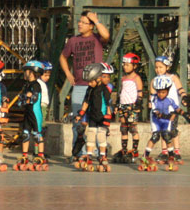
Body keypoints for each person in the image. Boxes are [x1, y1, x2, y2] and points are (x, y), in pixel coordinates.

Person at [59, 10, 110, 159]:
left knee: (97, 120)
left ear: (91, 26)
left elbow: (106, 35)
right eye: (79, 22)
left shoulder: (97, 39)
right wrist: (68, 73)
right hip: (80, 86)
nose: (80, 24)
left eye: (83, 22)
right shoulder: (73, 41)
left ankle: (95, 152)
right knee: (78, 121)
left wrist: (96, 20)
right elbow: (63, 57)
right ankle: (78, 153)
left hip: (96, 87)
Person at [75, 62, 113, 170]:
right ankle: (89, 154)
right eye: (88, 82)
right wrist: (81, 114)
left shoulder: (104, 89)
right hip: (92, 116)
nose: (89, 83)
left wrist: (108, 117)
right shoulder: (90, 89)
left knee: (101, 136)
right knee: (91, 135)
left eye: (91, 81)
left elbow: (108, 104)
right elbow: (86, 102)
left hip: (102, 117)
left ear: (99, 79)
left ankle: (102, 155)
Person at [153, 55, 188, 163]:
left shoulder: (173, 77)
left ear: (167, 67)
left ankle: (176, 152)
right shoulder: (156, 80)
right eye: (156, 67)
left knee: (172, 130)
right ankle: (165, 152)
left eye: (161, 67)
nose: (158, 70)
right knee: (163, 131)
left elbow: (180, 89)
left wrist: (184, 97)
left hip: (172, 110)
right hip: (161, 110)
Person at [142, 75, 182, 168]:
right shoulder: (154, 99)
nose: (161, 94)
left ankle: (171, 157)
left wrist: (187, 116)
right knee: (155, 136)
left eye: (163, 92)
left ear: (167, 91)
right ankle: (145, 157)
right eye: (159, 92)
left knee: (167, 136)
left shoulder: (170, 100)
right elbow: (156, 112)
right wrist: (169, 116)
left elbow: (177, 109)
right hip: (156, 119)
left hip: (165, 119)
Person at [15, 60, 48, 170]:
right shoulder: (26, 85)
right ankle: (25, 156)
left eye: (26, 71)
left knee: (37, 134)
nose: (25, 73)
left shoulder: (36, 85)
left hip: (35, 113)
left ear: (32, 72)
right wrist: (25, 98)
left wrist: (26, 98)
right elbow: (20, 99)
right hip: (27, 113)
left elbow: (34, 98)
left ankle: (41, 155)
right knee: (25, 134)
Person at [114, 52, 143, 163]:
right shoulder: (123, 78)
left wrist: (138, 104)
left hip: (132, 106)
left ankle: (135, 150)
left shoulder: (137, 78)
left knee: (133, 128)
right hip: (123, 106)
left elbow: (140, 92)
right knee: (124, 129)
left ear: (134, 66)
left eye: (127, 65)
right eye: (124, 65)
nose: (125, 67)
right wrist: (117, 105)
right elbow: (121, 92)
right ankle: (124, 151)